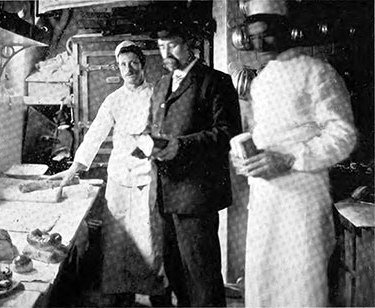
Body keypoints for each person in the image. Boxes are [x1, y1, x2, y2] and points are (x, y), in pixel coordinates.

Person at [230, 3, 357, 306]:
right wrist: (245, 158)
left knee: (302, 286)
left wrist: (290, 158)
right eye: (253, 37)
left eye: (268, 35)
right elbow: (264, 135)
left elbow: (344, 135)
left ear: (287, 31)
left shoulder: (317, 72)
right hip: (265, 197)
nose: (260, 44)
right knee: (264, 281)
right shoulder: (260, 82)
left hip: (303, 198)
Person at [49, 41, 166, 307]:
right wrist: (74, 168)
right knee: (116, 242)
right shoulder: (113, 100)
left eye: (133, 63)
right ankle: (119, 294)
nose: (128, 69)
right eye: (123, 65)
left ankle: (155, 293)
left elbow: (164, 135)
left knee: (148, 239)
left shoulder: (156, 94)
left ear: (142, 64)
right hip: (118, 178)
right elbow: (94, 136)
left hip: (146, 178)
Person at [147, 24, 242, 307]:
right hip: (164, 192)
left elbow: (227, 133)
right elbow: (156, 126)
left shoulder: (215, 81)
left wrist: (181, 145)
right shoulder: (162, 84)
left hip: (196, 195)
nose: (166, 52)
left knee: (202, 275)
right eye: (161, 46)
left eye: (173, 45)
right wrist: (148, 142)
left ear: (191, 45)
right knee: (175, 272)